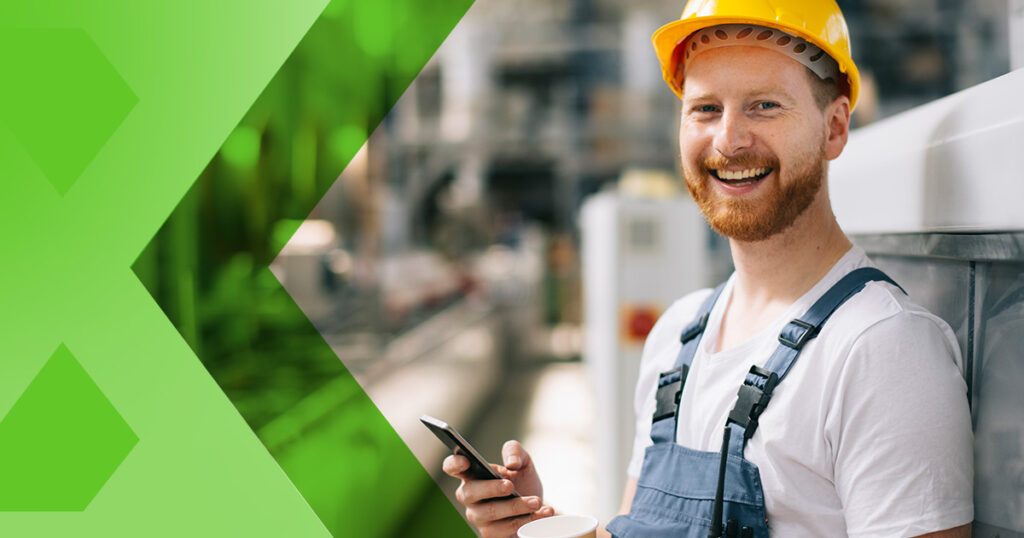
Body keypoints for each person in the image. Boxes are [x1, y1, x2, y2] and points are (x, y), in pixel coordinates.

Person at [443, 0, 974, 536]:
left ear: (834, 128)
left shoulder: (881, 350)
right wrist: (542, 526)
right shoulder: (677, 335)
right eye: (705, 109)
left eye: (764, 105)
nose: (728, 139)